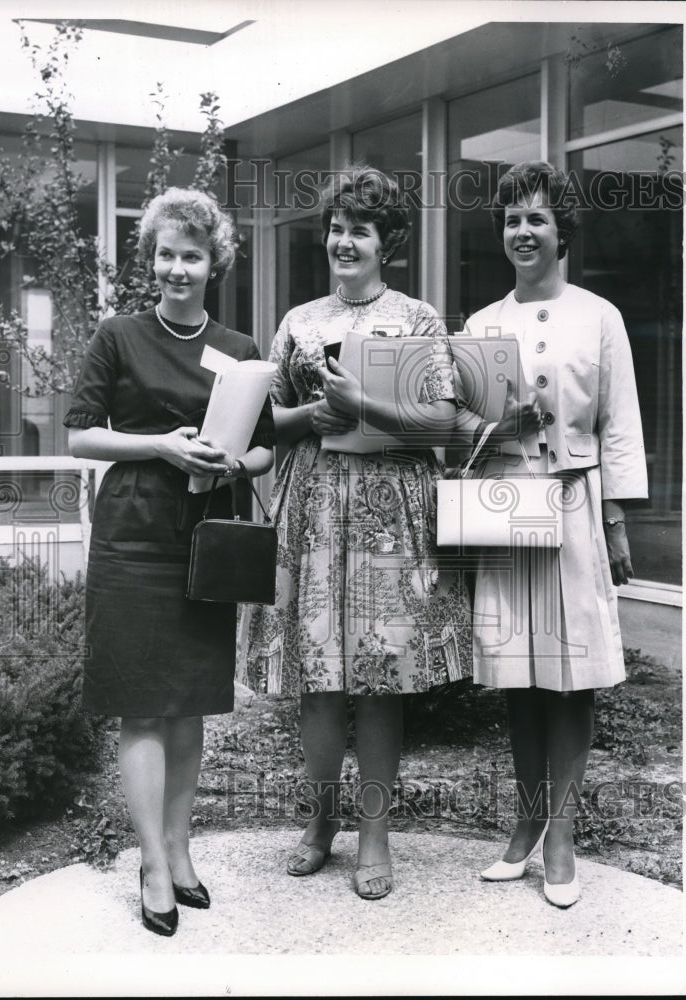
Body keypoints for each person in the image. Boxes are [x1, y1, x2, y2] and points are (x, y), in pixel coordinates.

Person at [246, 165, 531, 900]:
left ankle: (373, 832)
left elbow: (443, 422)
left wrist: (367, 405)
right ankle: (319, 822)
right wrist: (313, 416)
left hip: (387, 516)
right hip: (312, 513)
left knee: (378, 681)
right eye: (336, 229)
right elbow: (262, 421)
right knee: (316, 681)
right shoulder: (299, 322)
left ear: (387, 243)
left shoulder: (418, 319)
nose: (344, 242)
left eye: (360, 231)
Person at [65, 188, 274, 936]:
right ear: (151, 260)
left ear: (213, 262)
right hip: (132, 535)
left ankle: (182, 850)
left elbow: (264, 444)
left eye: (191, 255)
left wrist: (232, 466)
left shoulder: (242, 350)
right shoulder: (119, 335)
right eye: (165, 254)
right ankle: (151, 861)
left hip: (205, 534)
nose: (177, 268)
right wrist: (158, 443)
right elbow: (80, 436)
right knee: (142, 700)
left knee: (190, 703)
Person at [460, 161, 647, 907]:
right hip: (506, 503)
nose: (522, 231)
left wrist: (616, 514)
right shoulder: (480, 325)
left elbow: (620, 421)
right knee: (517, 677)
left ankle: (561, 833)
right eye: (511, 220)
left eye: (536, 218)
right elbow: (457, 427)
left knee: (570, 678)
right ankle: (525, 822)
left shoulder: (598, 316)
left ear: (561, 232)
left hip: (572, 504)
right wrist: (491, 425)